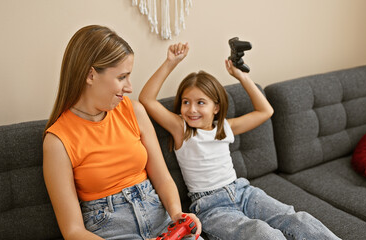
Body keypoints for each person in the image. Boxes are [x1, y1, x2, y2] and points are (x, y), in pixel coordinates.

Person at [139, 42, 341, 240]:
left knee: (299, 220)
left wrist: (241, 76)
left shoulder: (224, 127)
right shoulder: (181, 129)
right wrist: (170, 62)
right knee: (262, 233)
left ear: (216, 107)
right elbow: (147, 99)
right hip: (211, 206)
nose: (191, 109)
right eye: (186, 102)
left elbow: (266, 111)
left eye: (201, 102)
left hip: (243, 192)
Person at [42, 25, 202, 240]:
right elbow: (73, 231)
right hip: (110, 232)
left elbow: (162, 178)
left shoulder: (134, 111)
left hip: (160, 219)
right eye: (122, 77)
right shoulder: (57, 141)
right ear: (91, 75)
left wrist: (177, 216)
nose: (129, 87)